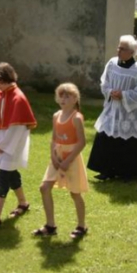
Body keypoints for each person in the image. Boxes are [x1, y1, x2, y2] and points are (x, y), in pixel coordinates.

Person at [0, 62, 38, 232]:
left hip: (13, 145)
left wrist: (4, 146)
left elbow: (18, 128)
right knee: (11, 174)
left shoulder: (18, 98)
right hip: (0, 143)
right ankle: (23, 203)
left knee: (2, 178)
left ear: (6, 79)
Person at [88, 35, 137, 180]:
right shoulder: (112, 63)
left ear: (131, 51)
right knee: (107, 136)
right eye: (118, 47)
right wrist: (110, 92)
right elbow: (104, 82)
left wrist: (124, 95)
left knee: (128, 142)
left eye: (122, 48)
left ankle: (127, 173)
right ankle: (106, 170)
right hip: (112, 108)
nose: (118, 50)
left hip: (130, 112)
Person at [34, 83, 89, 239]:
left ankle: (81, 226)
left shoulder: (76, 117)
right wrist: (53, 156)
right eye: (61, 95)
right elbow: (53, 139)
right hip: (57, 158)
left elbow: (81, 142)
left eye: (67, 96)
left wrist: (68, 161)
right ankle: (50, 225)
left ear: (75, 99)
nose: (63, 99)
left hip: (71, 158)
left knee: (75, 193)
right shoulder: (56, 116)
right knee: (44, 188)